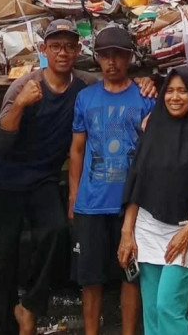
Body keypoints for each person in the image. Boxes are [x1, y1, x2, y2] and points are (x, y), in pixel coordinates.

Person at [0, 19, 155, 335]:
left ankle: (30, 306)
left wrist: (148, 81)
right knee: (3, 257)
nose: (63, 52)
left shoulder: (85, 85)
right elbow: (0, 144)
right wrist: (20, 104)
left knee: (57, 232)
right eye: (55, 46)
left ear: (78, 51)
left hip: (41, 178)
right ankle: (9, 326)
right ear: (44, 50)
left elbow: (117, 83)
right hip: (1, 179)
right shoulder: (24, 85)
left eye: (69, 46)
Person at [118, 66, 188, 335]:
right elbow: (137, 184)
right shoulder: (153, 128)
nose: (175, 97)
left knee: (169, 306)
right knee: (153, 311)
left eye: (183, 91)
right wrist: (126, 232)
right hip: (147, 229)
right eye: (169, 91)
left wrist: (187, 233)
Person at [68, 26, 155, 335]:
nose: (112, 62)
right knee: (90, 279)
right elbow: (77, 149)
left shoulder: (146, 97)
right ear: (97, 59)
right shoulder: (86, 98)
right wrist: (74, 198)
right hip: (91, 204)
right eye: (106, 56)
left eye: (119, 55)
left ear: (130, 57)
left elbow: (152, 153)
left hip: (130, 203)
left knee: (130, 274)